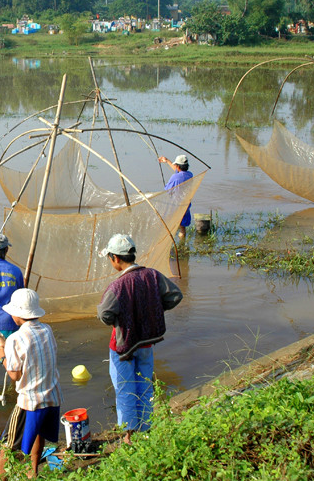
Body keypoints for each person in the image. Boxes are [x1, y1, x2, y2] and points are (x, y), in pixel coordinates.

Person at [97, 234, 183, 445]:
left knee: (125, 388)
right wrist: (154, 310)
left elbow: (104, 314)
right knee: (144, 384)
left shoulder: (117, 286)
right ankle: (146, 429)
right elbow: (175, 296)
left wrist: (121, 320)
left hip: (123, 346)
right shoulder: (152, 275)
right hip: (145, 341)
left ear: (115, 258)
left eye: (110, 258)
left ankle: (129, 435)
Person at [0, 288, 62, 478]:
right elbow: (31, 354)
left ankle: (1, 478)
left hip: (29, 403)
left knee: (7, 443)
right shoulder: (47, 329)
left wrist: (0, 355)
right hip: (52, 397)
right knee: (39, 433)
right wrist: (5, 345)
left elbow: (14, 374)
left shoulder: (16, 338)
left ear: (16, 315)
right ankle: (33, 472)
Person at [159, 154, 193, 239]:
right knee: (182, 227)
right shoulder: (189, 174)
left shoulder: (175, 177)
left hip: (175, 205)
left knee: (170, 225)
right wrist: (167, 161)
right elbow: (179, 172)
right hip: (185, 203)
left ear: (178, 166)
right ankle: (182, 243)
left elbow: (167, 189)